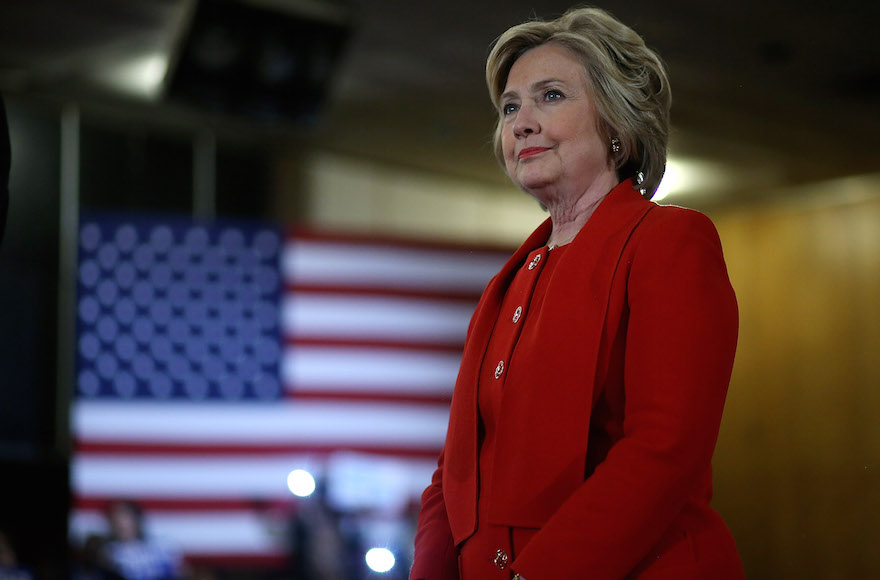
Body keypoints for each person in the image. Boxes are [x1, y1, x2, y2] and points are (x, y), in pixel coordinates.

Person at [410, 7, 742, 579]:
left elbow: (664, 451)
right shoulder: (508, 283)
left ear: (617, 122)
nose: (521, 122)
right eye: (510, 107)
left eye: (552, 96)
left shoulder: (670, 241)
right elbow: (457, 472)